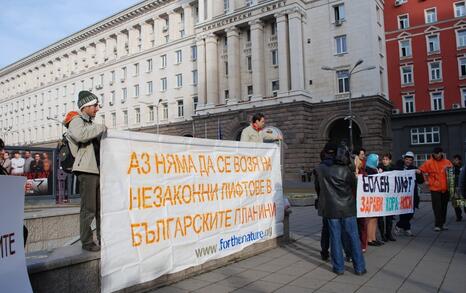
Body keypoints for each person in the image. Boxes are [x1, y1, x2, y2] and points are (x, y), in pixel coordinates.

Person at [314, 143, 366, 275]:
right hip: (348, 207)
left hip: (331, 209)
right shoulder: (347, 170)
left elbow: (318, 188)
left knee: (335, 238)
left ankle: (338, 268)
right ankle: (359, 268)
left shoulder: (320, 169)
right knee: (354, 237)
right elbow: (355, 188)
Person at [67, 91, 106, 252]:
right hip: (87, 170)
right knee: (89, 208)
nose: (97, 109)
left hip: (98, 170)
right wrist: (101, 128)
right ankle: (87, 241)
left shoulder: (91, 124)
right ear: (86, 106)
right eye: (95, 106)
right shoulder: (76, 120)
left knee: (101, 209)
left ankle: (105, 239)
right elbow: (80, 136)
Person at [314, 149, 352, 262]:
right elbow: (352, 186)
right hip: (343, 204)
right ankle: (348, 253)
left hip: (326, 203)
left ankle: (325, 252)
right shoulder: (342, 168)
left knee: (327, 230)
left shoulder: (320, 169)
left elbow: (318, 187)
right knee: (343, 230)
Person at [0, 138, 28, 247]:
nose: (3, 152)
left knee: (21, 231)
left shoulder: (2, 168)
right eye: (0, 149)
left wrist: (19, 189)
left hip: (5, 213)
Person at [418, 147, 452, 231]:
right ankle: (437, 225)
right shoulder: (429, 162)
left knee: (444, 207)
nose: (436, 155)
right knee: (437, 207)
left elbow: (452, 173)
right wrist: (426, 180)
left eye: (438, 153)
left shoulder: (447, 162)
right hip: (434, 188)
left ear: (441, 153)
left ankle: (442, 224)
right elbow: (420, 170)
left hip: (445, 188)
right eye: (435, 153)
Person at [394, 151, 423, 236]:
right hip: (401, 194)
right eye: (407, 159)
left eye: (410, 160)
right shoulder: (398, 167)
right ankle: (407, 228)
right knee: (403, 212)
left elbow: (421, 181)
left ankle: (399, 225)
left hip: (411, 194)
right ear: (404, 159)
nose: (408, 161)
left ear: (412, 161)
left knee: (411, 212)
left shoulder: (414, 168)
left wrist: (419, 173)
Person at [365, 154, 384, 247]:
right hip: (370, 198)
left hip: (375, 197)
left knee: (374, 219)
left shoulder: (373, 169)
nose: (378, 161)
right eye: (377, 159)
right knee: (370, 219)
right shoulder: (369, 170)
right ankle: (369, 239)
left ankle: (373, 238)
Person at [377, 153, 396, 241]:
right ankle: (382, 234)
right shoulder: (378, 168)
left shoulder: (394, 168)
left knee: (389, 217)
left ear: (390, 160)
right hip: (381, 196)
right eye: (383, 159)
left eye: (386, 159)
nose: (384, 161)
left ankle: (389, 234)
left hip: (390, 195)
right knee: (381, 217)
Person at [451, 155, 466, 221]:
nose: (454, 161)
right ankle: (458, 216)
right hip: (455, 187)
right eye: (454, 160)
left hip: (463, 187)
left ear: (460, 160)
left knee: (464, 201)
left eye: (456, 160)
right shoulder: (452, 168)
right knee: (455, 202)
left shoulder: (463, 168)